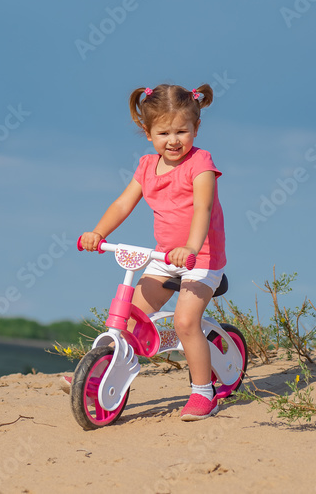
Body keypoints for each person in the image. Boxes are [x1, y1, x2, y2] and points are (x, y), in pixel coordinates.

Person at [79, 83, 227, 421]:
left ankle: (205, 393)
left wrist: (190, 246)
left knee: (185, 321)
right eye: (163, 132)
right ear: (148, 133)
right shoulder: (146, 167)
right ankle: (100, 377)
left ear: (196, 128)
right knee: (129, 318)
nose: (173, 140)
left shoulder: (200, 163)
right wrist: (98, 233)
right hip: (164, 257)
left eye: (181, 130)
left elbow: (203, 208)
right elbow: (122, 203)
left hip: (200, 258)